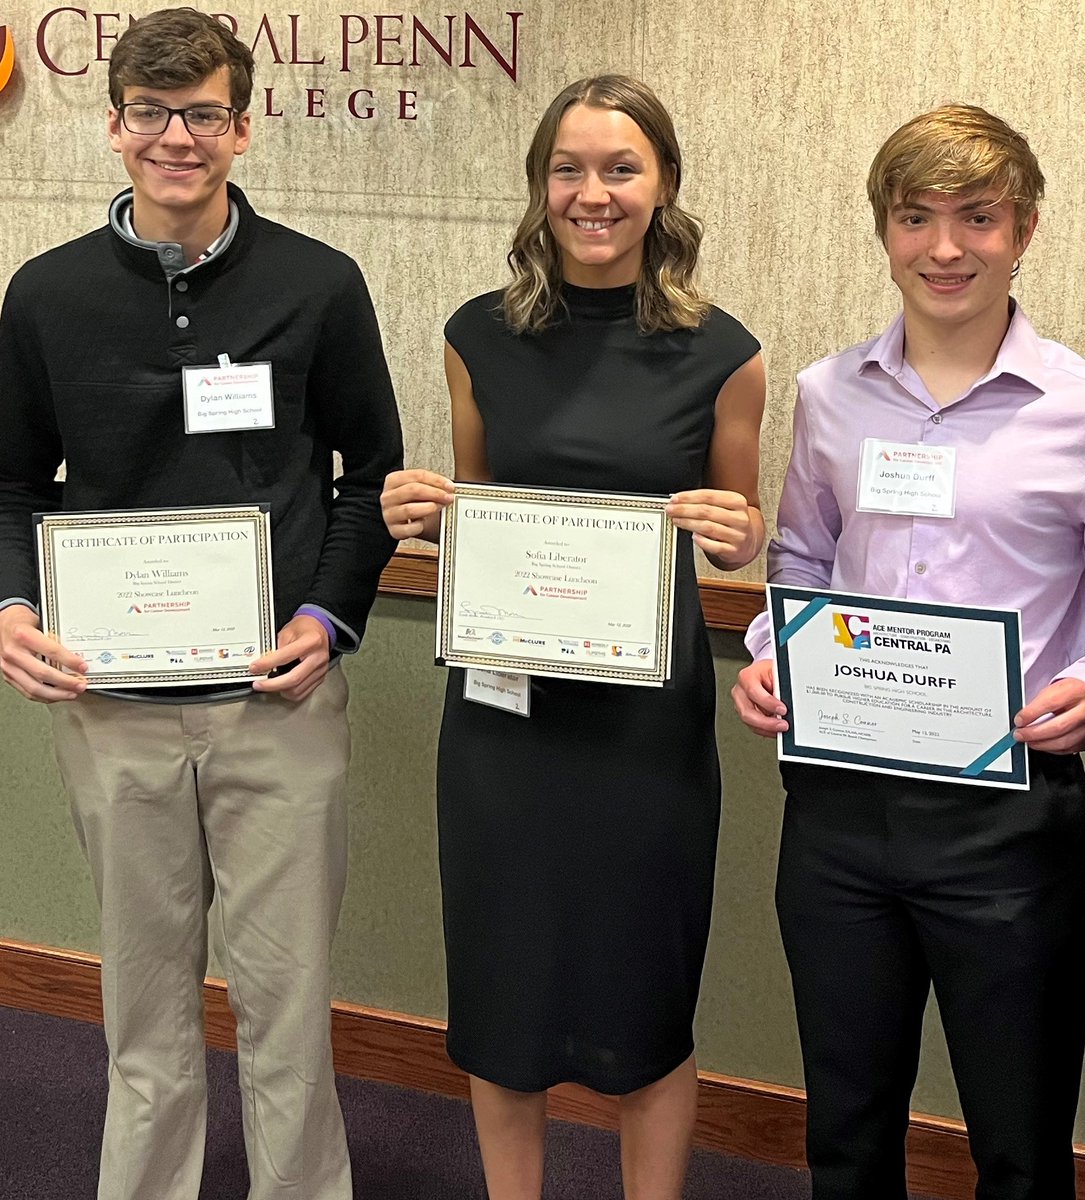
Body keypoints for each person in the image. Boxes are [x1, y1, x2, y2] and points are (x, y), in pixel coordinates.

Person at [0, 9, 402, 1199]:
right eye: (153, 114)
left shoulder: (319, 286)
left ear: (244, 125)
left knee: (286, 1013)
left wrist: (324, 621)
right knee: (144, 1009)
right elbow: (12, 482)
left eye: (205, 114)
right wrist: (14, 605)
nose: (179, 137)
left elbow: (370, 478)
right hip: (111, 705)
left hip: (274, 706)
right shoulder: (46, 295)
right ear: (116, 127)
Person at [382, 75, 766, 1199]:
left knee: (646, 994)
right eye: (568, 169)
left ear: (662, 188)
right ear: (539, 186)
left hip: (643, 731)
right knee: (503, 992)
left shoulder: (723, 352)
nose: (591, 193)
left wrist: (737, 531)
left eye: (619, 169)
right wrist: (428, 515)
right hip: (506, 723)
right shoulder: (474, 336)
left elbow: (731, 542)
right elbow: (484, 509)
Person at [734, 104, 1085, 1199]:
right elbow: (798, 558)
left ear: (1023, 229)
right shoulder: (827, 394)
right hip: (840, 811)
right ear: (884, 230)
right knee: (844, 1130)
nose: (944, 248)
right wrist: (769, 652)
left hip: (1007, 816)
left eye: (975, 218)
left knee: (1017, 1140)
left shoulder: (1084, 409)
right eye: (916, 218)